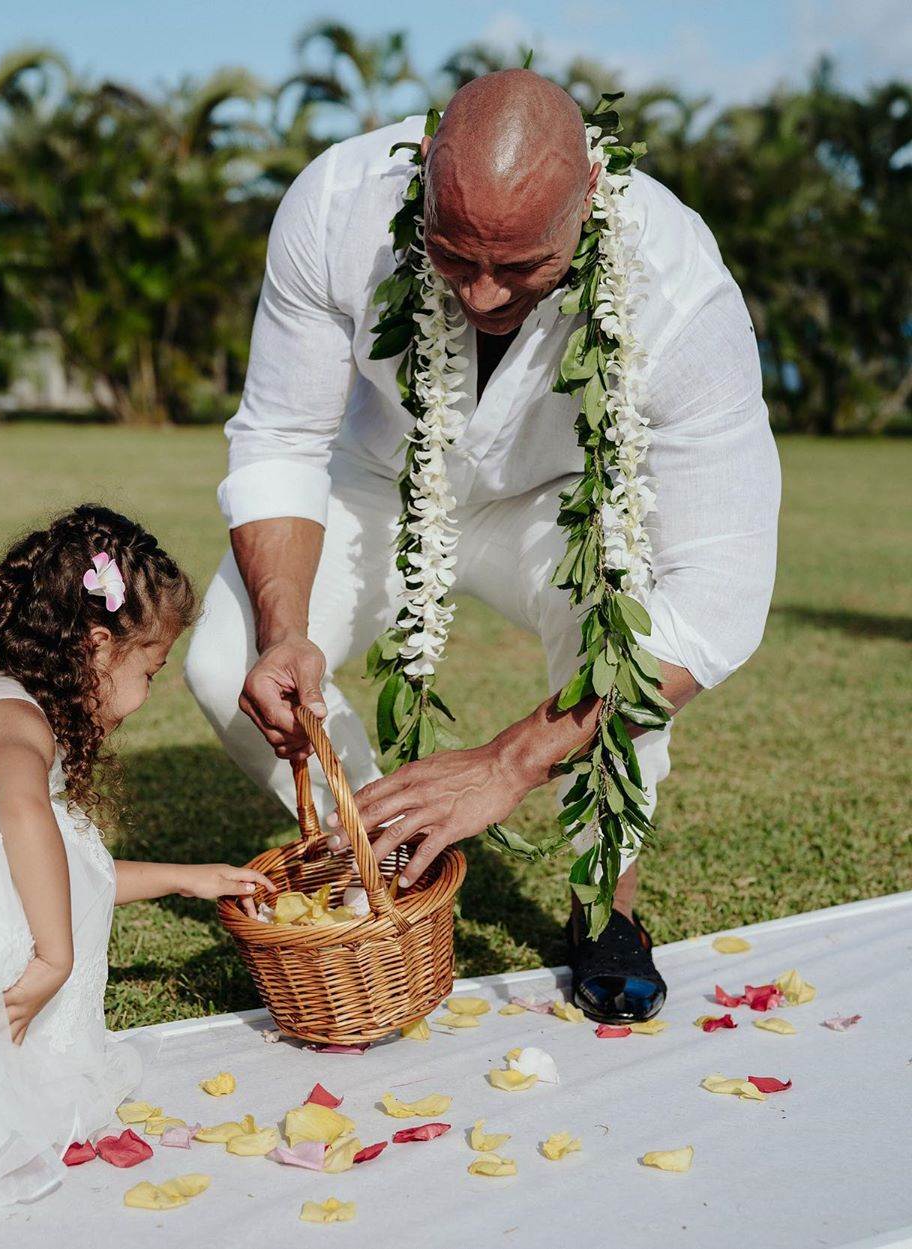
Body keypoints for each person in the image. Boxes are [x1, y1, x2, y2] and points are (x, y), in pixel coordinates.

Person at [185, 71, 780, 1023]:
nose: (484, 293)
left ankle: (607, 906)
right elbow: (282, 438)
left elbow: (717, 602)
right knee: (226, 661)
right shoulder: (338, 205)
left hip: (565, 501)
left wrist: (508, 763)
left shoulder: (682, 295)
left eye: (521, 266)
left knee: (620, 623)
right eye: (455, 257)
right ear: (423, 174)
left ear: (590, 194)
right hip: (382, 477)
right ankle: (388, 854)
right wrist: (285, 625)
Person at [0, 504, 274, 1205]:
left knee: (38, 861)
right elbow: (24, 818)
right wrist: (53, 957)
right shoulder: (17, 722)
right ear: (99, 646)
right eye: (152, 669)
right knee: (31, 894)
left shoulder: (1, 703)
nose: (148, 693)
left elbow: (62, 869)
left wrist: (187, 879)